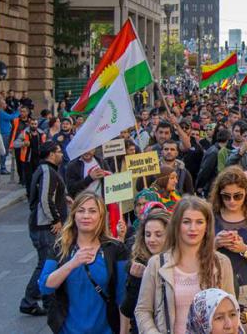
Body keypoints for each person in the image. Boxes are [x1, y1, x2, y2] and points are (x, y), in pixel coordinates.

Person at [135, 196, 236, 334]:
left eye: (199, 222)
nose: (192, 228)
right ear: (177, 225)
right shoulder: (157, 264)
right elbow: (143, 310)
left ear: (207, 226)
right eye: (187, 222)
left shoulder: (221, 263)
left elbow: (230, 309)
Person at [39, 191, 128, 334]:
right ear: (74, 215)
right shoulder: (60, 247)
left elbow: (122, 297)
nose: (86, 216)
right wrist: (72, 263)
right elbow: (45, 286)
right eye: (81, 211)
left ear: (101, 216)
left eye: (92, 211)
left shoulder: (116, 249)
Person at [210, 166, 247, 315]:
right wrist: (215, 244)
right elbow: (193, 256)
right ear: (219, 195)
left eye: (237, 196)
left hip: (245, 289)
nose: (232, 201)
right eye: (226, 196)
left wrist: (244, 250)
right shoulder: (209, 216)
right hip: (212, 287)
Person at [20, 141, 66, 316]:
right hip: (44, 227)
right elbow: (46, 200)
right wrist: (56, 219)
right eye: (59, 152)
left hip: (43, 226)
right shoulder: (47, 171)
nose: (61, 155)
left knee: (50, 263)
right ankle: (29, 300)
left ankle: (47, 300)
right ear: (51, 154)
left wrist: (65, 198)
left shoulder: (48, 171)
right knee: (45, 264)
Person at [121, 206, 170, 334]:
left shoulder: (179, 262)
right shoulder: (137, 263)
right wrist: (135, 281)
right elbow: (127, 310)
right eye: (148, 235)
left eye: (158, 234)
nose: (151, 240)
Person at [15, 117, 46, 197]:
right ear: (29, 124)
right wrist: (23, 143)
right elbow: (15, 143)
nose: (34, 125)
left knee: (39, 177)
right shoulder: (24, 133)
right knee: (29, 178)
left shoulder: (41, 133)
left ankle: (37, 193)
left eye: (35, 124)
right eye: (32, 124)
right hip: (27, 159)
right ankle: (30, 194)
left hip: (39, 159)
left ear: (37, 125)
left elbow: (45, 144)